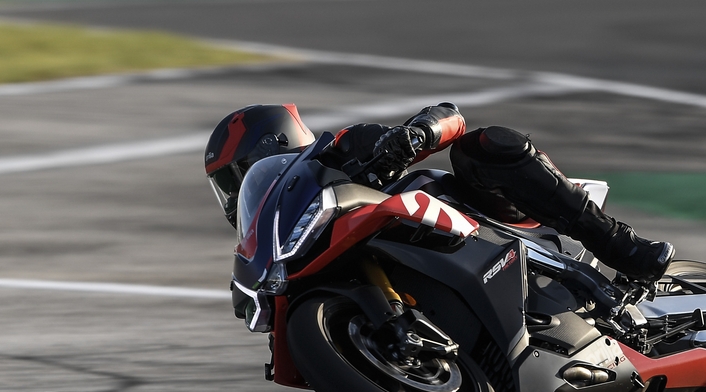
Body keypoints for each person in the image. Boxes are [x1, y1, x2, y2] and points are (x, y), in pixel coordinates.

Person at [204, 101, 674, 283]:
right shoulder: (284, 234)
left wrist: (414, 135)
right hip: (415, 272)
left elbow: (451, 117)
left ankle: (618, 243)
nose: (234, 193)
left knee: (483, 146)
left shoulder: (343, 149)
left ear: (274, 146)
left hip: (478, 224)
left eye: (233, 177)